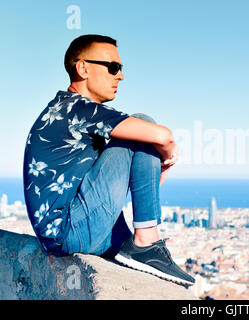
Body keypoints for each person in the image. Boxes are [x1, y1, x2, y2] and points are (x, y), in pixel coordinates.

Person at [23, 34, 195, 286]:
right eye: (113, 67)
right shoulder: (75, 108)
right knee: (143, 122)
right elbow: (163, 136)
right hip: (70, 234)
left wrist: (156, 162)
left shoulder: (67, 111)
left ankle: (143, 246)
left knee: (140, 132)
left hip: (74, 232)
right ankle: (147, 242)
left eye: (120, 68)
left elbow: (132, 186)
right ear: (83, 68)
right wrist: (168, 154)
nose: (120, 76)